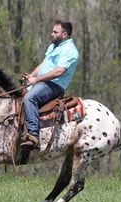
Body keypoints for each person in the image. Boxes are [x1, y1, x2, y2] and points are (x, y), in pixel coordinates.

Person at [20, 20, 80, 150]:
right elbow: (43, 65)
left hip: (54, 86)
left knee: (30, 98)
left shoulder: (70, 50)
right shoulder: (53, 46)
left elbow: (59, 71)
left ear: (64, 35)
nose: (51, 34)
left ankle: (33, 136)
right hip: (42, 82)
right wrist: (31, 77)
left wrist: (36, 80)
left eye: (55, 32)